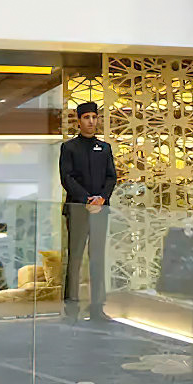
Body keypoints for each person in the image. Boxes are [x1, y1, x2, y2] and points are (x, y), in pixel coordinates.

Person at [59, 100, 116, 322]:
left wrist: (101, 199)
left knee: (97, 258)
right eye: (87, 118)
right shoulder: (69, 147)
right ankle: (71, 307)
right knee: (75, 257)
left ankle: (97, 306)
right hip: (78, 209)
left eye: (94, 117)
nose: (91, 121)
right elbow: (67, 178)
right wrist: (86, 199)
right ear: (79, 120)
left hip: (101, 209)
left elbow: (112, 177)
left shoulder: (105, 148)